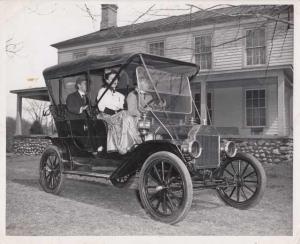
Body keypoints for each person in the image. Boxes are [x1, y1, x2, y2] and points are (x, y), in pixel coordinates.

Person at [97, 71, 142, 154]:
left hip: (119, 115)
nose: (115, 81)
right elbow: (101, 107)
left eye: (116, 79)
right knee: (126, 115)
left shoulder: (120, 95)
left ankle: (129, 144)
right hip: (107, 116)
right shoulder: (102, 91)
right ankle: (136, 143)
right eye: (112, 79)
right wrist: (118, 113)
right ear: (107, 80)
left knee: (133, 117)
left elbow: (121, 107)